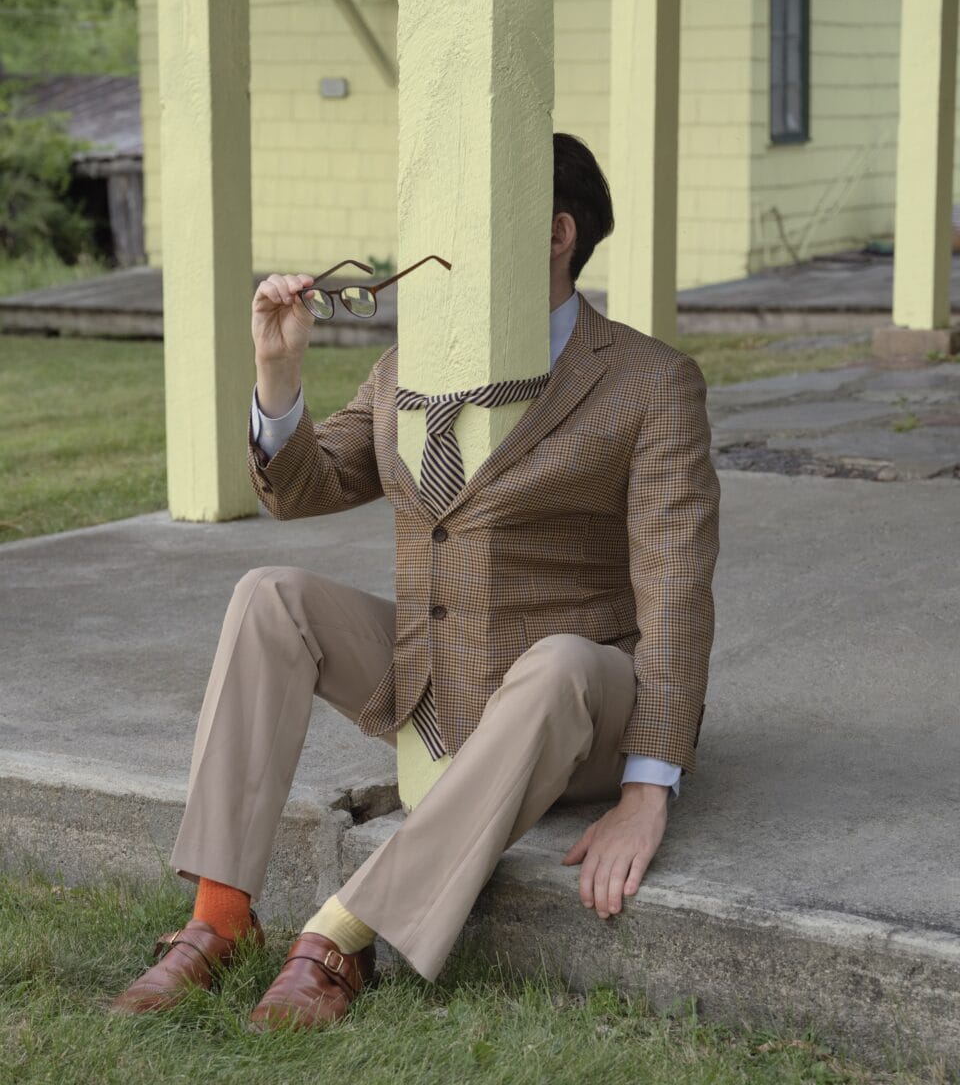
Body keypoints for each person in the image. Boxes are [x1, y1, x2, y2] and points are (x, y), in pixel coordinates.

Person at [111, 133, 720, 1029]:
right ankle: (220, 917)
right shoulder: (412, 365)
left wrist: (644, 794)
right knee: (269, 595)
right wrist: (278, 375)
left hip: (582, 701)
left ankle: (342, 936)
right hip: (443, 682)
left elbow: (676, 591)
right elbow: (313, 487)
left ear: (556, 235)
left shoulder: (650, 382)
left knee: (555, 663)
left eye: (473, 223)